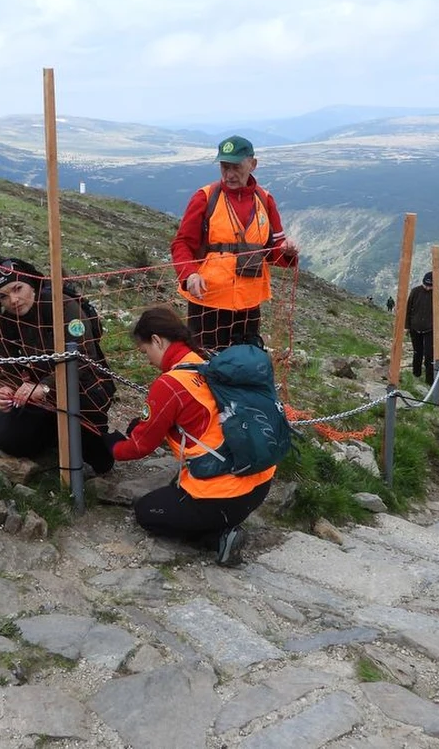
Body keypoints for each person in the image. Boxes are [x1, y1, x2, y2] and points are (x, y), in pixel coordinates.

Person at [104, 306, 276, 567]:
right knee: (176, 492)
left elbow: (140, 447)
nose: (147, 360)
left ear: (157, 340)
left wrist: (111, 446)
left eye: (145, 351)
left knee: (147, 511)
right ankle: (219, 522)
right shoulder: (204, 361)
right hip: (259, 483)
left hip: (225, 496)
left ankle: (219, 538)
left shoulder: (170, 383)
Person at [0, 258, 116, 476]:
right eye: (3, 296)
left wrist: (45, 387)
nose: (13, 300)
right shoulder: (5, 322)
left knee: (100, 461)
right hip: (39, 397)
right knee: (8, 440)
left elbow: (83, 360)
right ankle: (52, 433)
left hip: (83, 391)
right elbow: (3, 364)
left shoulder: (64, 306)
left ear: (32, 285)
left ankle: (76, 433)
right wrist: (6, 389)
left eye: (18, 288)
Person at [170, 135, 298, 350]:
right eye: (224, 167)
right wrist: (189, 274)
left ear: (252, 164)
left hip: (249, 303)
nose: (229, 174)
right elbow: (182, 243)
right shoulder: (205, 197)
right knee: (206, 360)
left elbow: (275, 249)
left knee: (245, 361)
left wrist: (287, 252)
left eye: (236, 167)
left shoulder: (265, 200)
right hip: (208, 300)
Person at [404, 272, 439, 385]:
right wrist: (406, 326)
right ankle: (416, 374)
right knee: (417, 352)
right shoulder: (415, 291)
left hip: (430, 328)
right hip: (415, 327)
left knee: (429, 355)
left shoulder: (436, 294)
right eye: (426, 285)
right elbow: (408, 309)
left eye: (430, 286)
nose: (427, 288)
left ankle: (430, 380)